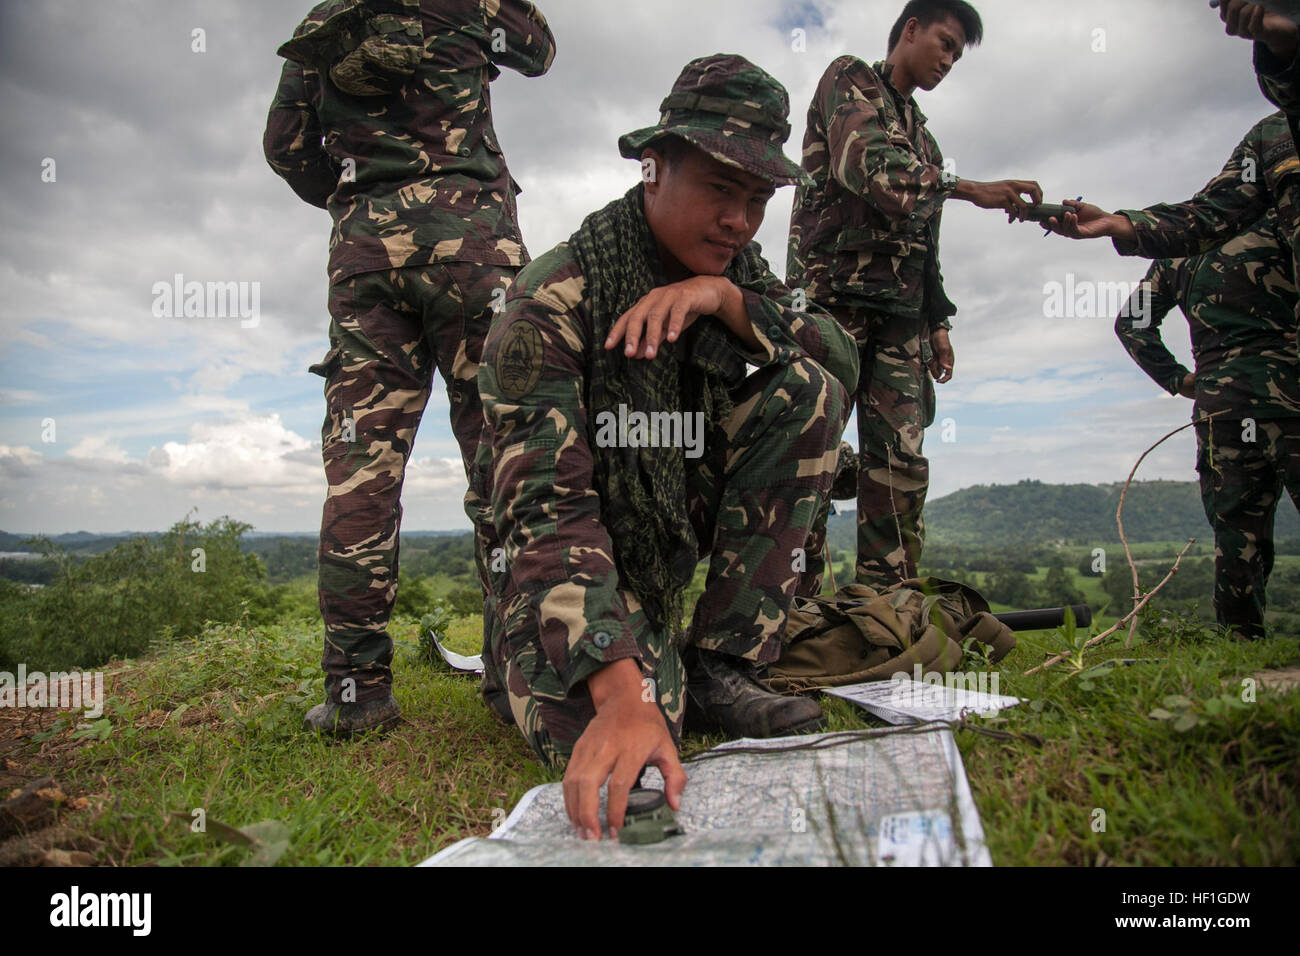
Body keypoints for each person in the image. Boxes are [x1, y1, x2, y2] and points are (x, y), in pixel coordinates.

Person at [475, 54, 859, 839]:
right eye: (721, 190)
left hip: (665, 532)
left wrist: (721, 298)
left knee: (807, 389)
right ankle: (551, 662)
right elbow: (547, 514)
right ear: (653, 168)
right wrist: (620, 694)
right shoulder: (552, 304)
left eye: (757, 200)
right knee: (632, 738)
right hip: (571, 560)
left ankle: (723, 660)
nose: (740, 222)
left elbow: (841, 357)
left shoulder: (737, 276)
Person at [263, 0, 555, 736]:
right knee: (502, 461)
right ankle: (516, 673)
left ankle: (355, 692)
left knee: (362, 471)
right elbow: (540, 50)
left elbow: (287, 146)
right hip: (474, 245)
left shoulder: (327, 18)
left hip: (366, 255)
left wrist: (359, 196)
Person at [787, 0, 1041, 589]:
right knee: (810, 452)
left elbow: (926, 240)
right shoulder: (848, 78)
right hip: (830, 304)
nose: (949, 60)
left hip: (902, 317)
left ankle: (886, 605)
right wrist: (970, 187)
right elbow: (869, 169)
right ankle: (791, 610)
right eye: (945, 43)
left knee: (899, 462)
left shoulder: (924, 136)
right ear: (909, 30)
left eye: (958, 53)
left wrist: (938, 322)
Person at [1115, 211, 1300, 638]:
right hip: (1290, 393)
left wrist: (1178, 380)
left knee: (1237, 534)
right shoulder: (1278, 222)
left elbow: (1132, 322)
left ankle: (1241, 646)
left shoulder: (1179, 247)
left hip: (1222, 407)